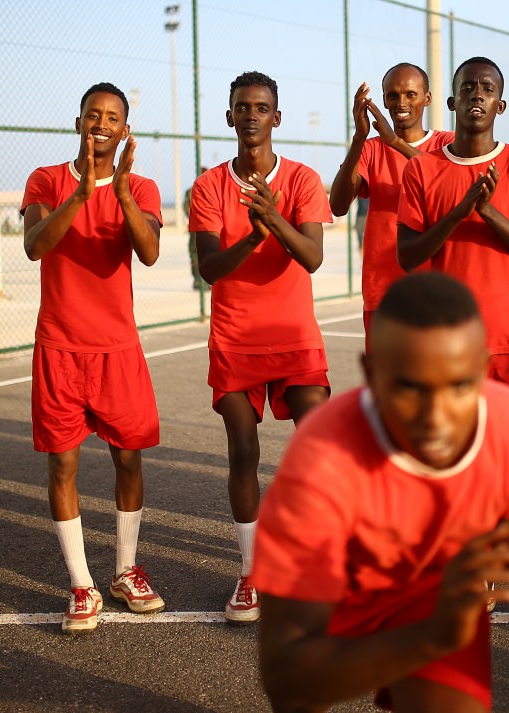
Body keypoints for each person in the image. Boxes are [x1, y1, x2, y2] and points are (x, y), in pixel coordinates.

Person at [252, 272, 509, 712]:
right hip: (335, 585)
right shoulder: (321, 462)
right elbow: (284, 675)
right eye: (410, 388)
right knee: (302, 693)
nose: (436, 418)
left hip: (430, 586)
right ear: (372, 374)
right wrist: (432, 635)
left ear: (481, 368)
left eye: (459, 386)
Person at [397, 57, 509, 575]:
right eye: (467, 86)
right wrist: (456, 212)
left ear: (501, 104)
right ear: (449, 102)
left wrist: (488, 211)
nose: (477, 94)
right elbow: (407, 255)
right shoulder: (423, 168)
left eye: (487, 88)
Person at [188, 71, 332, 625]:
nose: (251, 115)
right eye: (242, 107)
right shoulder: (208, 186)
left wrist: (272, 217)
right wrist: (249, 236)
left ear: (277, 116)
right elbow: (209, 268)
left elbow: (312, 257)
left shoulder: (302, 179)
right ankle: (250, 574)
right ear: (229, 117)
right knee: (243, 450)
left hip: (295, 338)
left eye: (262, 107)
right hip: (236, 338)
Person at [21, 82, 165, 634]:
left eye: (112, 117)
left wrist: (121, 193)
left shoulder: (145, 187)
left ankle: (125, 571)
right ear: (78, 120)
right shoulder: (47, 179)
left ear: (124, 129)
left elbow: (149, 253)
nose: (100, 123)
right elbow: (36, 244)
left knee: (128, 458)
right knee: (63, 463)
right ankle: (82, 585)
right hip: (59, 346)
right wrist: (80, 194)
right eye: (92, 114)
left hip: (116, 348)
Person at [329, 63, 454, 335]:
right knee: (386, 378)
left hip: (438, 290)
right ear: (384, 100)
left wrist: (394, 142)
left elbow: (450, 181)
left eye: (410, 94)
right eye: (393, 95)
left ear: (427, 98)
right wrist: (360, 137)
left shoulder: (447, 144)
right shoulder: (371, 148)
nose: (401, 102)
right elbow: (337, 206)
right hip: (384, 292)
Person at [183, 166, 209, 290]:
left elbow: (186, 207)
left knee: (198, 254)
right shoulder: (199, 190)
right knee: (196, 255)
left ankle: (201, 281)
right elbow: (186, 207)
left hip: (202, 227)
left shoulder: (203, 189)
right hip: (200, 227)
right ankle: (199, 281)